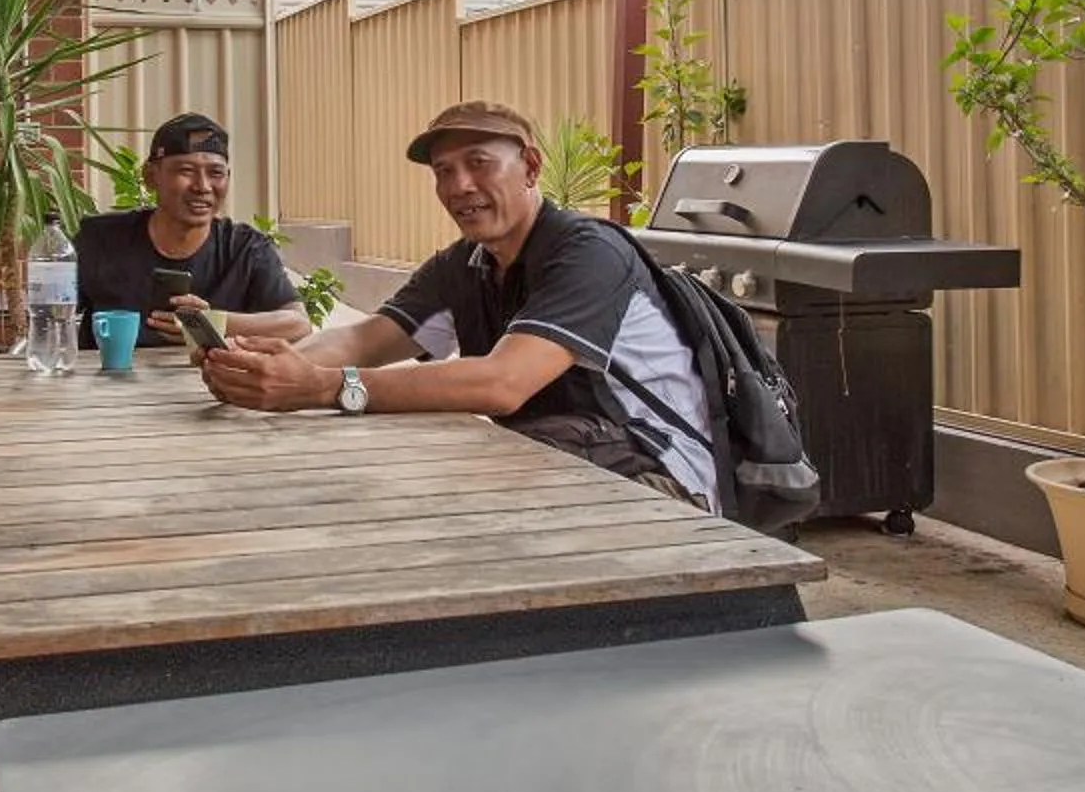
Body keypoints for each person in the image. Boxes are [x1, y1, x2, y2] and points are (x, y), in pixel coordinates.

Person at [200, 100, 715, 505]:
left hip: (662, 482)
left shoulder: (589, 254)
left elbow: (502, 384)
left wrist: (323, 387)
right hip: (565, 459)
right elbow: (364, 337)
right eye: (444, 171)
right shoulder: (465, 263)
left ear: (531, 167)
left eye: (479, 164)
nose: (460, 186)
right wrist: (256, 367)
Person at [76, 113, 309, 348]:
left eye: (215, 173)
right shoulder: (100, 239)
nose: (203, 186)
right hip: (108, 382)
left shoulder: (245, 248)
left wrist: (213, 323)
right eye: (186, 171)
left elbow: (298, 324)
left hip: (211, 383)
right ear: (150, 176)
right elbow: (44, 311)